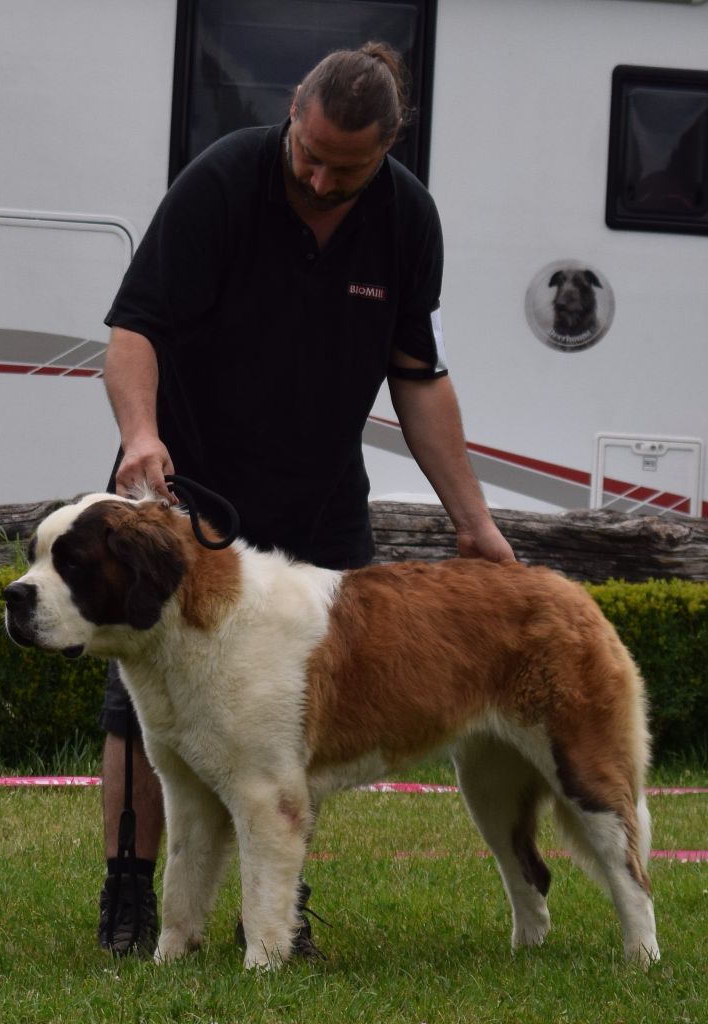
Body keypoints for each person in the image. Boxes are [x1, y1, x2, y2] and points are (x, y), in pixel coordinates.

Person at [97, 41, 515, 957]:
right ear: (293, 111)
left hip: (320, 503)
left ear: (390, 147)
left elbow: (418, 377)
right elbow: (135, 328)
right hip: (188, 490)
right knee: (145, 700)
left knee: (307, 718)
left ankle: (275, 913)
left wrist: (474, 523)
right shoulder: (221, 180)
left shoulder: (408, 220)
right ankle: (128, 895)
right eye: (309, 152)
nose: (322, 179)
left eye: (348, 166)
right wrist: (139, 436)